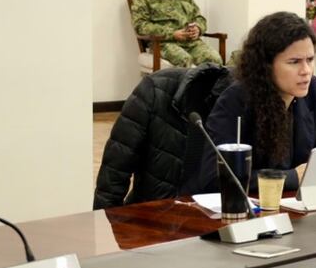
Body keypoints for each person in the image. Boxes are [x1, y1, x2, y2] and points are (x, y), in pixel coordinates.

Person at [202, 12, 316, 192]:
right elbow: (215, 177)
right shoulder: (237, 100)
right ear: (266, 66)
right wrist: (291, 178)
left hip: (294, 202)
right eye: (294, 62)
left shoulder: (313, 90)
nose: (306, 71)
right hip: (240, 206)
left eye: (309, 60)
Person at [93, 63, 232, 208]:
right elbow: (115, 170)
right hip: (152, 214)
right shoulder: (156, 90)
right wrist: (106, 220)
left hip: (216, 217)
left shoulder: (240, 105)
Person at [131, 0, 223, 68]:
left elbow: (199, 18)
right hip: (164, 44)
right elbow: (140, 26)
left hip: (191, 43)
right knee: (185, 60)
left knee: (215, 60)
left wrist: (198, 29)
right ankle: (189, 80)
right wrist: (172, 33)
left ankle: (208, 80)